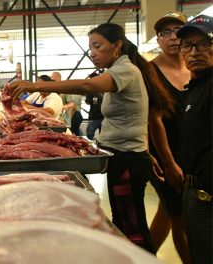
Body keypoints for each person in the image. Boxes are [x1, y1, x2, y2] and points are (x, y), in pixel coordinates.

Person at [11, 23, 173, 253]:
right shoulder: (121, 70)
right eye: (90, 48)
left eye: (98, 46)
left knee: (132, 228)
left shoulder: (125, 70)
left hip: (127, 160)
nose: (92, 53)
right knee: (125, 222)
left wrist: (35, 85)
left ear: (117, 46)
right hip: (125, 157)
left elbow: (88, 85)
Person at [147, 12, 191, 264]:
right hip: (166, 155)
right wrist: (168, 162)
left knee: (168, 210)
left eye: (178, 31)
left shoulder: (198, 65)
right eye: (166, 33)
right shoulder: (151, 71)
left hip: (196, 153)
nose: (173, 37)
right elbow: (153, 119)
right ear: (158, 39)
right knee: (180, 215)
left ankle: (143, 256)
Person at [176, 14, 212, 264]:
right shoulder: (196, 86)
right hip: (194, 193)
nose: (194, 51)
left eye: (204, 43)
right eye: (187, 45)